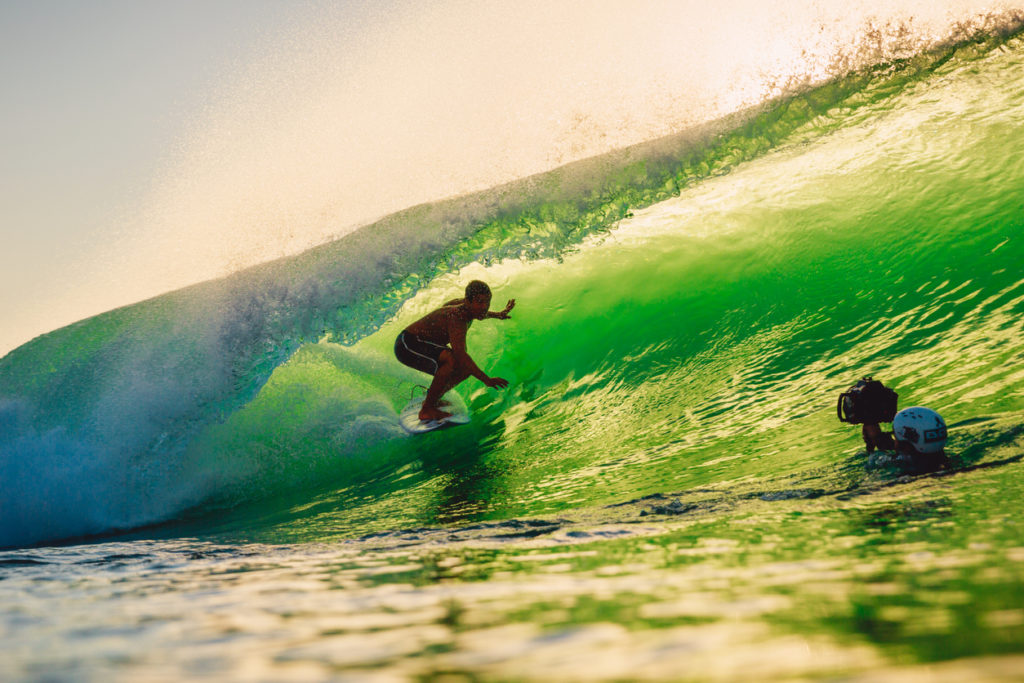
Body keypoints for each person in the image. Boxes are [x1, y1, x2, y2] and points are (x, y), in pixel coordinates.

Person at [394, 280, 514, 421]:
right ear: (467, 301)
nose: (484, 307)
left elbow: (482, 313)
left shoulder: (467, 308)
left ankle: (433, 399)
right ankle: (427, 410)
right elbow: (461, 354)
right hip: (407, 345)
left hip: (423, 345)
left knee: (464, 368)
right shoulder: (457, 317)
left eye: (487, 302)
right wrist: (486, 380)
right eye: (480, 302)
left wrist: (498, 314)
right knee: (452, 359)